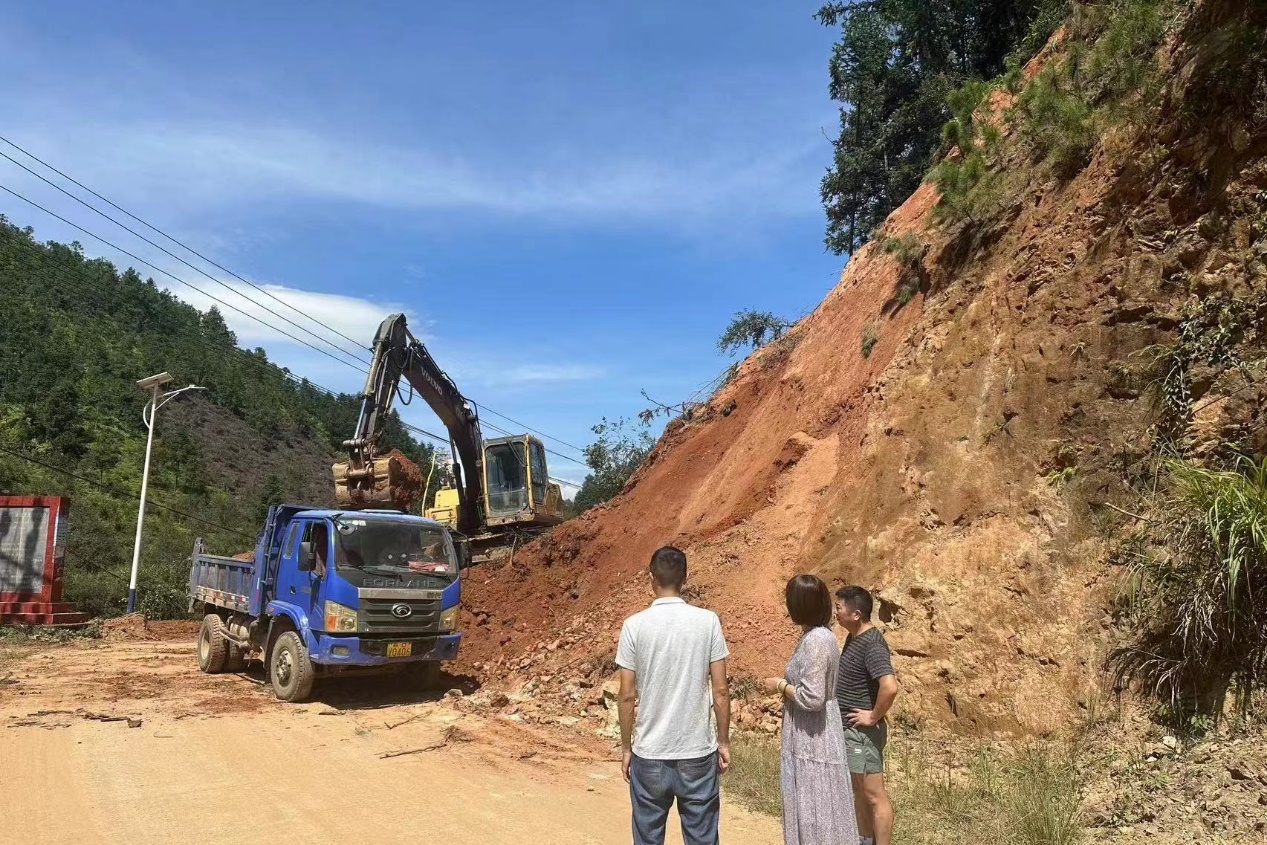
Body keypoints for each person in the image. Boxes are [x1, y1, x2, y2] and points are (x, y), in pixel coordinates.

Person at [616, 546, 731, 845]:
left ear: (651, 578)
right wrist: (723, 742)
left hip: (649, 753)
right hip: (697, 752)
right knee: (702, 837)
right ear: (685, 578)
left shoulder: (633, 626)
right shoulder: (708, 621)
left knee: (647, 838)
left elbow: (626, 695)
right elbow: (720, 690)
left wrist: (627, 748)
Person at [763, 574, 859, 845]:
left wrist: (780, 685)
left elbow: (812, 697)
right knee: (820, 802)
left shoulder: (816, 641)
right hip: (816, 735)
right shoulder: (820, 637)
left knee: (814, 803)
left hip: (812, 738)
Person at [835, 586, 898, 845]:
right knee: (859, 793)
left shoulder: (871, 643)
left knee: (873, 795)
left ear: (856, 614)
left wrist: (872, 717)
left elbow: (890, 686)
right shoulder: (855, 638)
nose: (836, 613)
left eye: (839, 608)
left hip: (863, 734)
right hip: (853, 732)